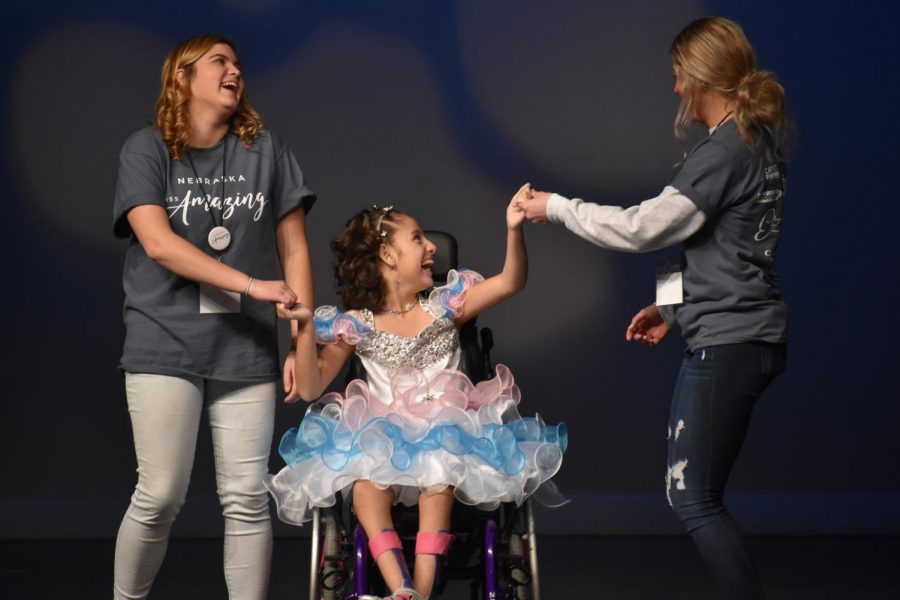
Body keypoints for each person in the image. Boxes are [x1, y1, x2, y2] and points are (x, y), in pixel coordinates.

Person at [518, 16, 789, 600]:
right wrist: (670, 310)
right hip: (746, 333)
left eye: (676, 77)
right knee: (693, 494)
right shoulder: (755, 140)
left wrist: (558, 208)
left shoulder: (725, 150)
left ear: (700, 78)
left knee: (691, 496)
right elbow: (720, 243)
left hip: (730, 339)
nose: (672, 91)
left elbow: (643, 229)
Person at [268, 187, 567, 600]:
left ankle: (420, 592)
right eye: (417, 239)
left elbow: (512, 281)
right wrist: (300, 330)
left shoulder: (446, 307)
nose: (430, 248)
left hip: (447, 429)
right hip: (381, 433)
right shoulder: (357, 324)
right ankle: (401, 587)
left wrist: (514, 230)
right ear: (389, 256)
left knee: (438, 474)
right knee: (365, 488)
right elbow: (310, 387)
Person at [111, 35, 316, 600]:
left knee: (249, 496)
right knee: (160, 496)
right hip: (164, 338)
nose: (235, 72)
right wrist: (252, 284)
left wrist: (303, 337)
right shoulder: (146, 150)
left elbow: (295, 250)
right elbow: (158, 244)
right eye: (219, 62)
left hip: (245, 344)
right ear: (182, 77)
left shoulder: (267, 151)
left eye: (238, 65)